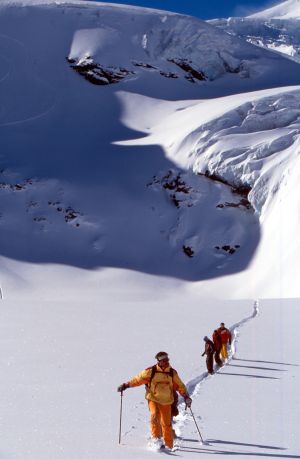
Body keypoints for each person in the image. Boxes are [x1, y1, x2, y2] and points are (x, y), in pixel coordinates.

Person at [117, 351, 192, 451]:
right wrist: (126, 385)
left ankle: (169, 445)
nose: (167, 362)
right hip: (153, 399)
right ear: (159, 361)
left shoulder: (172, 372)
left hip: (167, 401)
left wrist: (186, 396)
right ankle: (156, 439)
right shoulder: (151, 371)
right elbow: (138, 379)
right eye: (164, 360)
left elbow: (179, 385)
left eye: (167, 359)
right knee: (155, 415)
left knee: (166, 424)